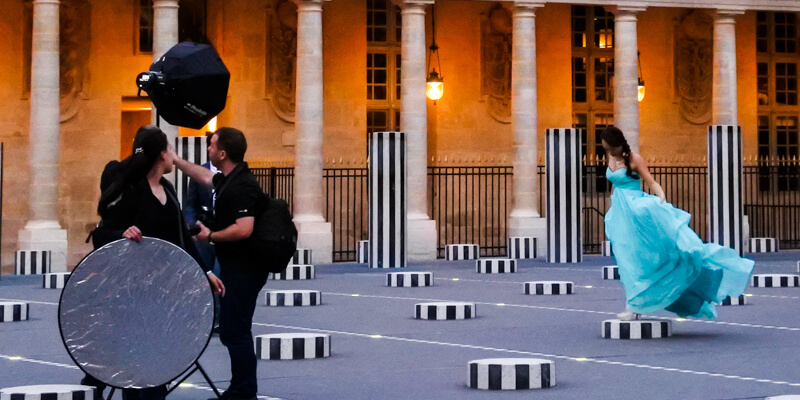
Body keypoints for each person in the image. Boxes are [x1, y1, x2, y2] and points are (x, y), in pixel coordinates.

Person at [85, 125, 225, 400]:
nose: (174, 156)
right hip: (134, 290)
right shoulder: (133, 189)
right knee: (138, 360)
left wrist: (205, 271)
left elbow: (182, 239)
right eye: (171, 150)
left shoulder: (168, 188)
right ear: (162, 154)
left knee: (158, 360)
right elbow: (102, 233)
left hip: (164, 292)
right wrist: (122, 233)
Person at [601, 126, 754, 321]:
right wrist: (611, 206)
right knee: (627, 260)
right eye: (606, 149)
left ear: (619, 143)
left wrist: (661, 198)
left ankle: (634, 306)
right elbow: (614, 186)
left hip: (638, 211)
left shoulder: (634, 159)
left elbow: (651, 182)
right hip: (621, 214)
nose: (609, 152)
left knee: (644, 259)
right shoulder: (611, 159)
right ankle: (634, 304)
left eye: (611, 148)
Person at [173, 127, 266, 400]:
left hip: (245, 268)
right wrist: (177, 161)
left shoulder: (242, 185)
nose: (209, 150)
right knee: (232, 328)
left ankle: (244, 390)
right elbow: (204, 176)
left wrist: (210, 236)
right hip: (237, 265)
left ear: (223, 153)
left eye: (212, 146)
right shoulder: (229, 179)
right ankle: (241, 387)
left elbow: (244, 228)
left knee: (235, 330)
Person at [183, 134, 221, 330]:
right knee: (203, 276)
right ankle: (207, 317)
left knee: (219, 274)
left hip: (224, 235)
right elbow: (190, 204)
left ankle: (219, 318)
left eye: (212, 146)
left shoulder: (234, 173)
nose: (208, 149)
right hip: (202, 233)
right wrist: (192, 225)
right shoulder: (200, 173)